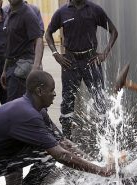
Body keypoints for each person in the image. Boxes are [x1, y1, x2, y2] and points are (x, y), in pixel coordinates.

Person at [45, 0, 118, 140]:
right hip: (70, 63)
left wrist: (104, 53)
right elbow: (48, 33)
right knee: (68, 99)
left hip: (91, 61)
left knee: (99, 99)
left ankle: (106, 138)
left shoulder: (95, 10)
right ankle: (66, 138)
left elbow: (114, 31)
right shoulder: (62, 12)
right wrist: (56, 54)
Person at [0, 0, 44, 101]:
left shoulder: (28, 14)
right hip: (11, 67)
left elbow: (38, 39)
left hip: (22, 69)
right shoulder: (9, 13)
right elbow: (11, 45)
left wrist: (36, 67)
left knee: (18, 106)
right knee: (15, 105)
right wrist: (4, 70)